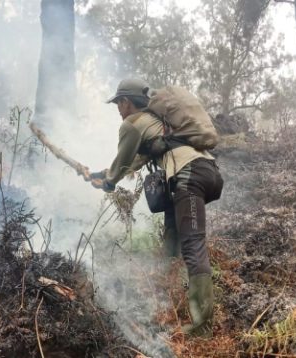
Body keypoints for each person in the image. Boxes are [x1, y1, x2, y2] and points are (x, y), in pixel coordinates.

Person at [90, 78, 224, 338]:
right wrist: (103, 174)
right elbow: (134, 163)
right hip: (207, 172)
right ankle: (169, 292)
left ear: (127, 102)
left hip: (189, 176)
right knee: (172, 234)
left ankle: (202, 326)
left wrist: (108, 182)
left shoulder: (131, 124)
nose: (118, 108)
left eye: (119, 102)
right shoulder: (156, 123)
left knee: (193, 244)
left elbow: (122, 164)